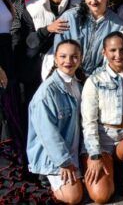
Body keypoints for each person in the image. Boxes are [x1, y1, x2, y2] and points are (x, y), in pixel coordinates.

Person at [81, 31, 123, 203]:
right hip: (103, 139)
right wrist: (95, 155)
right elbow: (88, 122)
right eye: (112, 50)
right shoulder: (95, 80)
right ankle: (109, 170)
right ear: (104, 52)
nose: (118, 55)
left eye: (122, 50)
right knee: (101, 197)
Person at [26, 40, 85, 205]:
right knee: (73, 198)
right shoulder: (46, 93)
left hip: (74, 148)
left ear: (80, 59)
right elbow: (48, 134)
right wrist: (64, 162)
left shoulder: (77, 84)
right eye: (63, 56)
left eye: (74, 57)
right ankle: (46, 179)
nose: (68, 61)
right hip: (55, 157)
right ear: (55, 59)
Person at [18, 0, 81, 105]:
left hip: (71, 68)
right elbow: (27, 42)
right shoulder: (32, 7)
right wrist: (47, 29)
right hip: (38, 73)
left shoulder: (79, 3)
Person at [48, 0, 123, 77]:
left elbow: (113, 59)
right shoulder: (70, 18)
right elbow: (59, 52)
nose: (93, 1)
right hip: (68, 74)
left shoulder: (118, 25)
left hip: (99, 79)